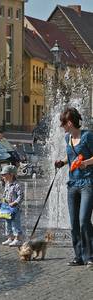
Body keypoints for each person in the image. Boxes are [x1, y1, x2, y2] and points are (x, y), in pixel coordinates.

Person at [55, 107, 93, 268]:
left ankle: (89, 256)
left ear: (69, 123)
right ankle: (78, 256)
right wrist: (62, 162)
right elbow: (70, 156)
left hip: (88, 183)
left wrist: (86, 163)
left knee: (84, 220)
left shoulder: (87, 136)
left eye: (63, 124)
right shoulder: (67, 138)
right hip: (72, 184)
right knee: (74, 223)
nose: (62, 127)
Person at [0, 165, 24, 247]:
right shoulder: (7, 184)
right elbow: (5, 194)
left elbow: (21, 196)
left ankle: (18, 239)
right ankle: (10, 238)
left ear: (11, 175)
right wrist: (3, 200)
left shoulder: (17, 185)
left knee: (15, 223)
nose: (2, 176)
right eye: (2, 175)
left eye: (4, 174)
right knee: (8, 223)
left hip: (15, 209)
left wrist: (15, 203)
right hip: (7, 208)